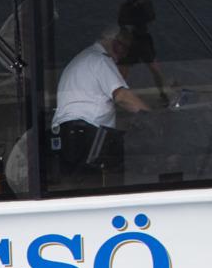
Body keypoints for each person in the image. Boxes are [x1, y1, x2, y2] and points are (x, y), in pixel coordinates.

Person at [48, 24, 148, 178]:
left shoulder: (84, 58)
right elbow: (122, 97)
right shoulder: (100, 60)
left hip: (67, 135)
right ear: (114, 42)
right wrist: (152, 115)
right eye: (124, 47)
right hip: (83, 134)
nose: (124, 54)